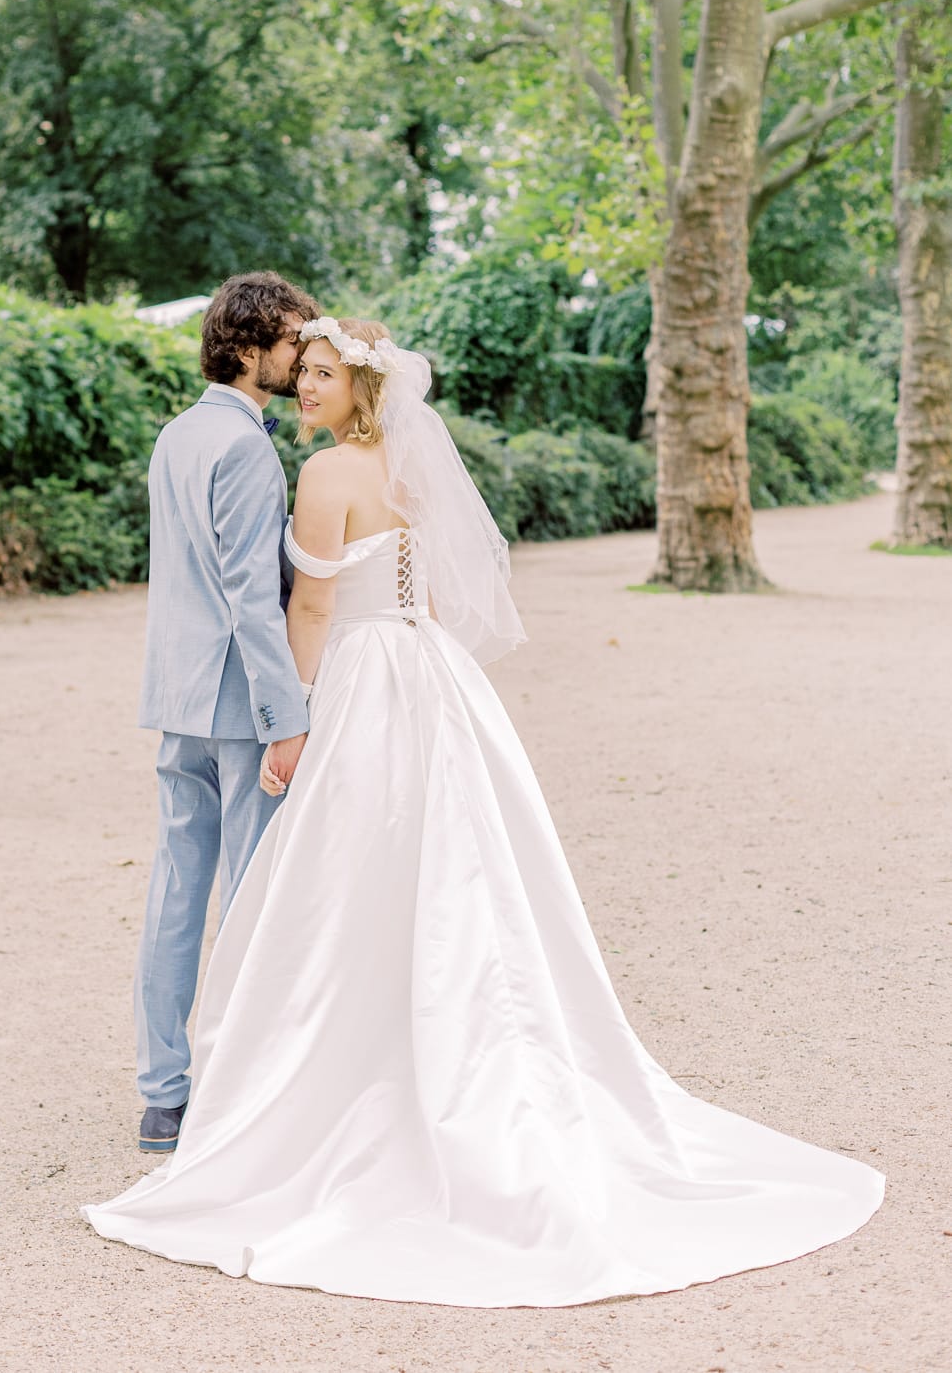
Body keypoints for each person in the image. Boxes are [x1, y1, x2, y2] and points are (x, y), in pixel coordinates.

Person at [85, 317, 884, 1307]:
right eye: (305, 369)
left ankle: (239, 1081)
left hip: (348, 681)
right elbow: (425, 576)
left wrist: (289, 719)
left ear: (359, 389)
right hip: (430, 672)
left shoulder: (320, 474)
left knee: (318, 884)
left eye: (324, 374)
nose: (306, 384)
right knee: (456, 865)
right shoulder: (412, 467)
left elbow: (312, 608)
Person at [130, 271, 317, 1157]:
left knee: (176, 889)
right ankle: (236, 1080)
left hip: (177, 696)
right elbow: (249, 593)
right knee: (247, 894)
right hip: (239, 703)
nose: (298, 357)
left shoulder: (177, 434)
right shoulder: (246, 448)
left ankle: (163, 1092)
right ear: (246, 346)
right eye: (289, 341)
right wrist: (288, 713)